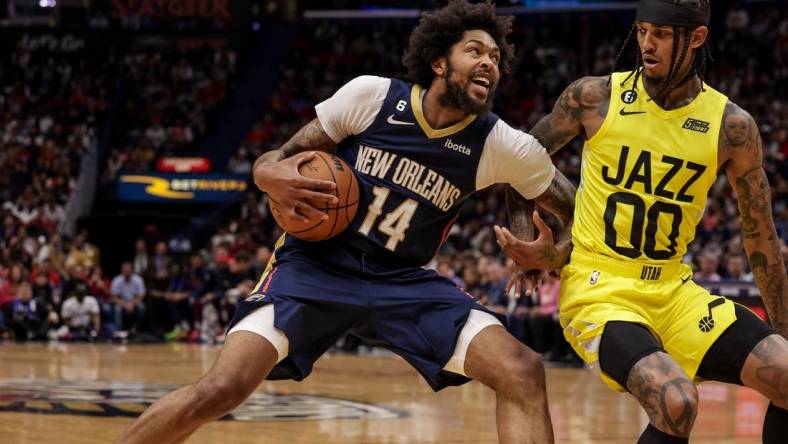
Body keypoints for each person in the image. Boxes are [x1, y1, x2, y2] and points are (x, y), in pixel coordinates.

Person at [117, 2, 576, 443]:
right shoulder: (373, 97)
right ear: (439, 63)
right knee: (223, 387)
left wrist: (555, 252)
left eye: (495, 57)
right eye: (475, 51)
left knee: (522, 369)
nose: (489, 63)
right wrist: (267, 174)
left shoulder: (498, 142)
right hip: (313, 266)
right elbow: (274, 161)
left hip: (404, 281)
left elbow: (573, 207)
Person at [495, 1, 788, 442]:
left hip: (673, 291)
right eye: (643, 31)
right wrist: (527, 250)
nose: (646, 45)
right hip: (600, 290)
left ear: (697, 38)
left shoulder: (732, 128)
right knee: (676, 400)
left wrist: (783, 330)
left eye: (662, 35)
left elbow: (760, 238)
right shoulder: (594, 98)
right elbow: (519, 167)